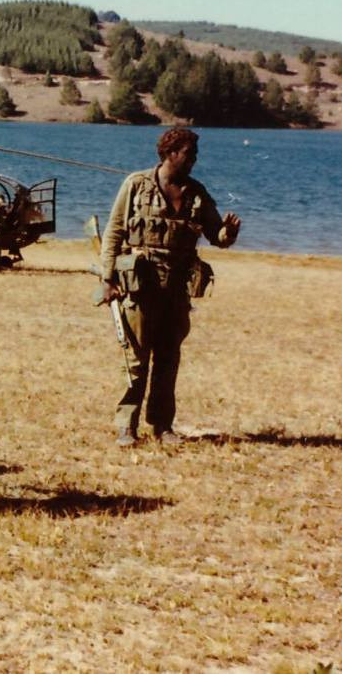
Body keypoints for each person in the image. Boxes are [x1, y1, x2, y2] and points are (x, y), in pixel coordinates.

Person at [98, 128, 241, 447]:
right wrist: (108, 279)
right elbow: (114, 232)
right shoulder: (136, 185)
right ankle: (126, 426)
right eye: (189, 153)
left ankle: (162, 426)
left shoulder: (197, 193)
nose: (194, 160)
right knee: (136, 359)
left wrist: (227, 234)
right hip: (140, 288)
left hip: (176, 291)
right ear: (170, 152)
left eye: (195, 154)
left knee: (168, 358)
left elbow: (216, 235)